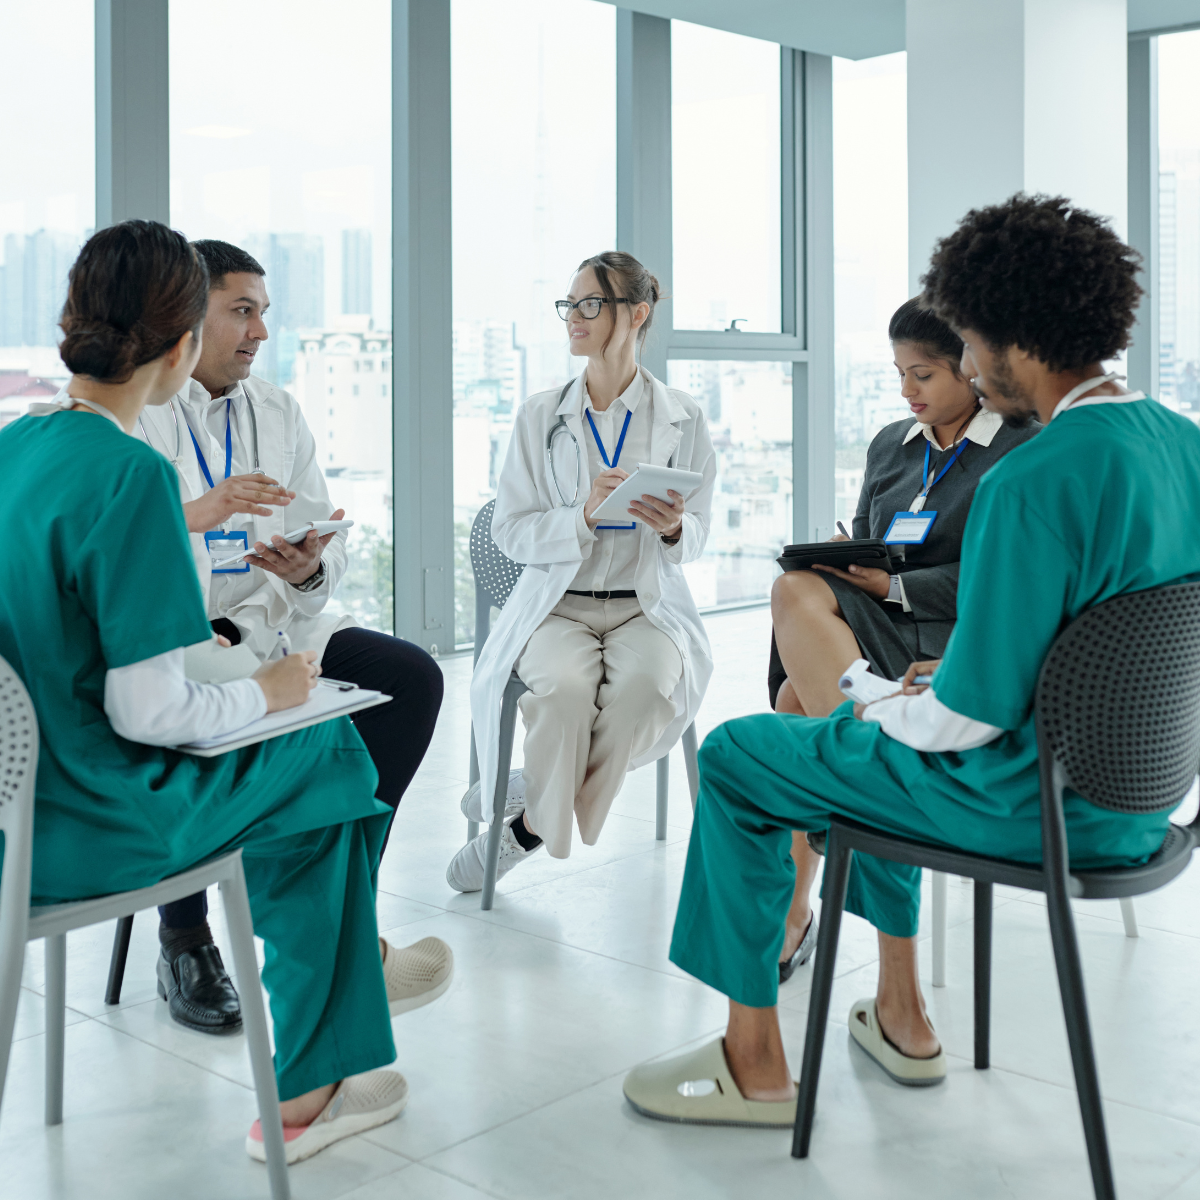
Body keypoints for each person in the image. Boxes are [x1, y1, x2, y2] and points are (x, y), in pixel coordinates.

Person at [621, 193, 1200, 1125]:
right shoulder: (1184, 443)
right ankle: (900, 1012)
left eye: (967, 343)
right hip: (1136, 806)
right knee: (854, 746)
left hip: (1023, 805)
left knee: (744, 751)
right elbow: (1116, 639)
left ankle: (754, 1065)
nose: (965, 364)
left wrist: (866, 689)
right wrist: (942, 683)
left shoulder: (1032, 475)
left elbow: (953, 726)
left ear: (1014, 337)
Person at [0, 220, 419, 1161]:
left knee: (312, 762)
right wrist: (273, 692)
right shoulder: (133, 475)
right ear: (184, 343)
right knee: (326, 751)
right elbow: (147, 711)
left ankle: (334, 1014)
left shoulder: (8, 454)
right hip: (92, 825)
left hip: (13, 816)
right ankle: (315, 1080)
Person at [123, 239, 447, 1035]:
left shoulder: (278, 411)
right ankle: (184, 936)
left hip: (269, 626)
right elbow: (133, 565)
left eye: (265, 312)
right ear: (187, 318)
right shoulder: (139, 419)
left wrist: (304, 570)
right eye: (243, 311)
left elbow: (317, 569)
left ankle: (344, 905)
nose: (260, 331)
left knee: (409, 676)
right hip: (180, 639)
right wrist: (209, 519)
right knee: (193, 722)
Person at [766, 300, 1039, 984]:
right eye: (899, 373)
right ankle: (865, 773)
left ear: (970, 370)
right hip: (879, 626)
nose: (907, 390)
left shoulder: (1020, 445)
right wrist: (847, 558)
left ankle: (797, 907)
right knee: (799, 590)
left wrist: (891, 589)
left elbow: (1000, 577)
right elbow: (872, 532)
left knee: (798, 699)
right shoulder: (893, 443)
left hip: (952, 638)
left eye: (923, 373)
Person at [446, 251, 716, 891]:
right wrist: (582, 515)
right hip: (559, 604)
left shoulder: (682, 417)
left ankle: (529, 822)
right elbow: (511, 530)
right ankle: (545, 786)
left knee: (646, 692)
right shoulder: (540, 416)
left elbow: (700, 533)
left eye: (590, 304)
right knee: (563, 691)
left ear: (636, 314)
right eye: (569, 305)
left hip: (641, 606)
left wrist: (675, 528)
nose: (574, 317)